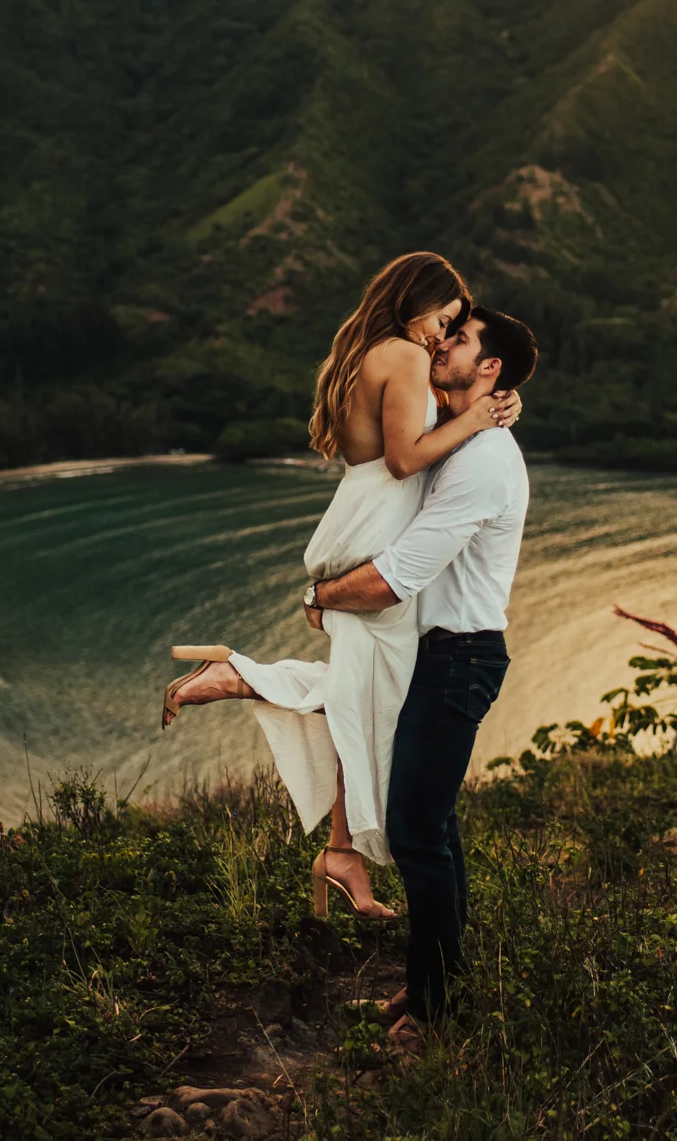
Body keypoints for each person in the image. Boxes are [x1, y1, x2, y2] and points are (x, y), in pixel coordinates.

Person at [160, 253, 520, 921]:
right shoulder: (407, 357)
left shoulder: (366, 352)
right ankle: (242, 679)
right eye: (443, 320)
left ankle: (339, 847)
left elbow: (410, 433)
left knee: (373, 692)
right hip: (376, 529)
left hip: (355, 518)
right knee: (377, 701)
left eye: (453, 330)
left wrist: (481, 406)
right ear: (417, 302)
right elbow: (406, 458)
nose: (443, 337)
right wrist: (473, 422)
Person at [306, 306, 535, 1036]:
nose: (442, 344)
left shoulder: (485, 459)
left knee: (414, 833)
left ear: (490, 368)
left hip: (458, 656)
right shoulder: (462, 437)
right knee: (432, 826)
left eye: (460, 340)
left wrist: (321, 595)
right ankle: (438, 988)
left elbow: (397, 576)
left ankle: (434, 1009)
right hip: (437, 654)